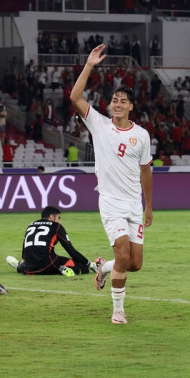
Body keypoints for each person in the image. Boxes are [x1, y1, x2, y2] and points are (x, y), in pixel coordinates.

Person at [70, 44, 153, 325]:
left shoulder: (141, 135)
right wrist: (90, 65)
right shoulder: (99, 125)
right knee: (122, 252)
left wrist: (149, 206)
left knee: (134, 263)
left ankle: (102, 269)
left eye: (123, 101)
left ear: (131, 107)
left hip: (133, 203)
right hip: (110, 202)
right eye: (114, 100)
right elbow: (75, 96)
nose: (117, 104)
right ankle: (118, 311)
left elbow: (146, 170)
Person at [6, 206, 96, 276]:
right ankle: (65, 269)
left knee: (25, 264)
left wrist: (25, 262)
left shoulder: (31, 225)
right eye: (58, 218)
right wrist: (90, 264)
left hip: (29, 269)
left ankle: (19, 266)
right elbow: (71, 250)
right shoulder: (56, 226)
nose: (59, 221)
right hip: (48, 265)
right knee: (82, 267)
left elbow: (24, 249)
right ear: (51, 217)